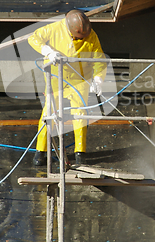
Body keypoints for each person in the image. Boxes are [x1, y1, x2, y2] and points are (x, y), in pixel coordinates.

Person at [28, 9, 107, 166]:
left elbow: (99, 59)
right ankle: (41, 152)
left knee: (80, 114)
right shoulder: (55, 29)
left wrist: (98, 79)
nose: (82, 39)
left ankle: (80, 154)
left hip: (80, 80)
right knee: (49, 113)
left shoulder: (91, 35)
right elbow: (33, 38)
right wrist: (48, 52)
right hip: (57, 79)